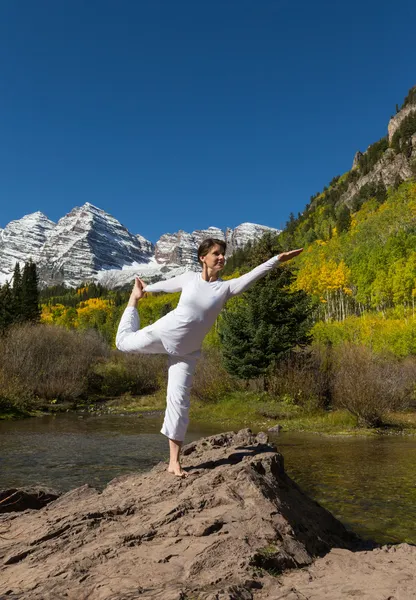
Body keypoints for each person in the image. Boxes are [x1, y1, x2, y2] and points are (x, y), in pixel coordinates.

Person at [116, 239, 303, 477]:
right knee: (122, 343)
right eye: (216, 253)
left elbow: (253, 275)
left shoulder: (226, 288)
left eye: (223, 254)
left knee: (179, 402)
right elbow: (168, 285)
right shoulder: (188, 278)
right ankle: (131, 302)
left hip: (187, 352)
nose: (222, 257)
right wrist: (145, 290)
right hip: (163, 334)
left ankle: (174, 462)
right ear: (203, 257)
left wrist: (276, 260)